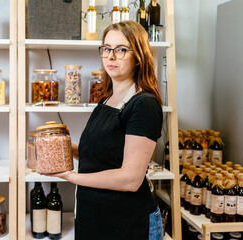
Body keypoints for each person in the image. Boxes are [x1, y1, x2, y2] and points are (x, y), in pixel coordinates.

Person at [49, 21, 163, 239]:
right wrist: (60, 147)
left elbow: (130, 179)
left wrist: (72, 177)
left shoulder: (144, 104)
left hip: (127, 222)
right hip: (95, 217)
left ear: (138, 56)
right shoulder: (106, 100)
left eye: (121, 50)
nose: (111, 56)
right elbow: (101, 157)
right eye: (106, 48)